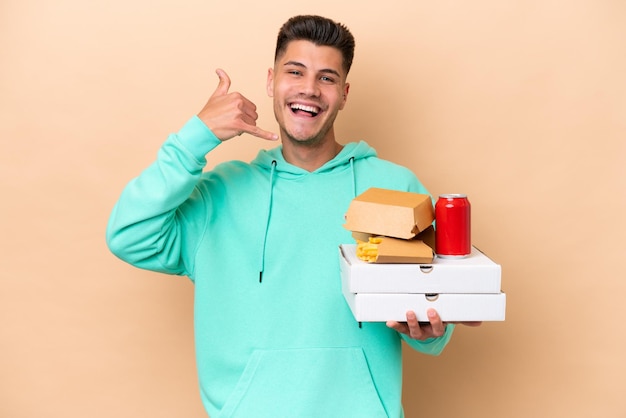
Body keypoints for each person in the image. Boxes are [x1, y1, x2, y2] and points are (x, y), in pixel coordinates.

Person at [106, 14, 479, 418]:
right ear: (271, 81)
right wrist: (196, 137)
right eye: (295, 71)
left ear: (345, 93)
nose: (309, 89)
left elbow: (437, 304)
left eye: (327, 78)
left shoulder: (395, 188)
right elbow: (128, 234)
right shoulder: (219, 195)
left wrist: (429, 331)